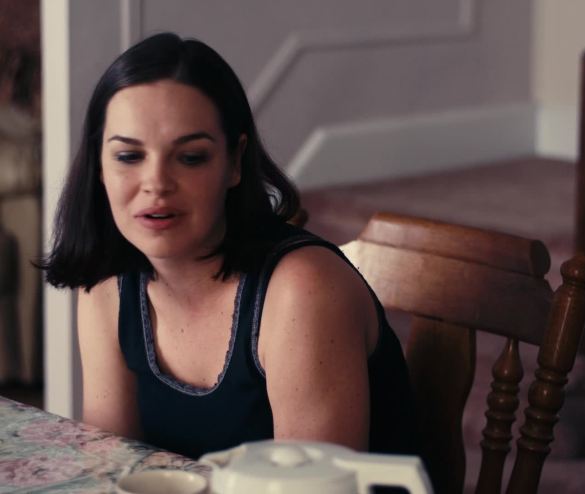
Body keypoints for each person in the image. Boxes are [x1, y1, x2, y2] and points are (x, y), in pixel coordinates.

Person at [39, 32, 417, 460]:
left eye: (191, 157)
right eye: (129, 156)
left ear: (235, 162)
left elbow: (316, 486)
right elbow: (111, 468)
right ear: (99, 165)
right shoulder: (106, 281)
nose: (156, 183)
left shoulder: (303, 290)